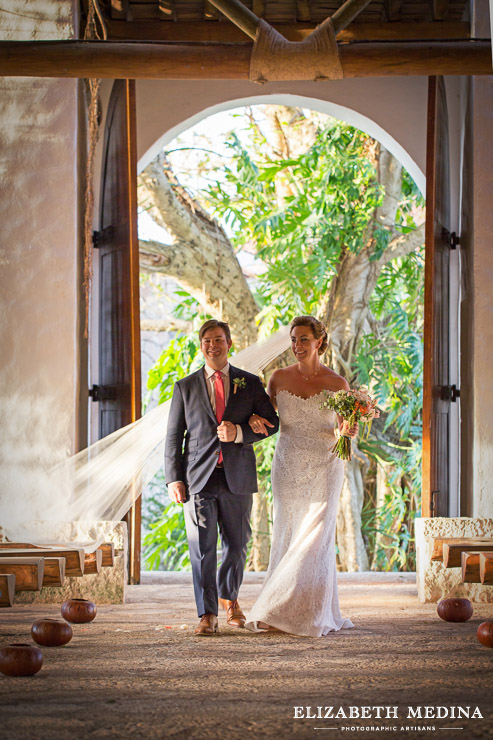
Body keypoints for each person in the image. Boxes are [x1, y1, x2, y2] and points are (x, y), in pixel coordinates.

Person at [165, 319, 279, 636]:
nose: (212, 345)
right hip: (197, 479)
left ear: (229, 343)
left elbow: (273, 423)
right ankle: (207, 614)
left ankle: (230, 599)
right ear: (201, 346)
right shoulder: (185, 387)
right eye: (206, 340)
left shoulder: (250, 383)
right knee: (202, 547)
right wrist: (174, 478)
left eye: (218, 339)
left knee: (238, 544)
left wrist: (240, 431)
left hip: (237, 476)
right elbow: (174, 438)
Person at [244, 315, 356, 637]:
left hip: (326, 464)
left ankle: (297, 610)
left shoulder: (338, 384)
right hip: (288, 464)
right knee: (288, 533)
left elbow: (344, 430)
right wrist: (251, 420)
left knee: (315, 540)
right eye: (293, 340)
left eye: (304, 340)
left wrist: (348, 430)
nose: (297, 346)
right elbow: (268, 420)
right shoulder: (277, 378)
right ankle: (279, 608)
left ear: (319, 341)